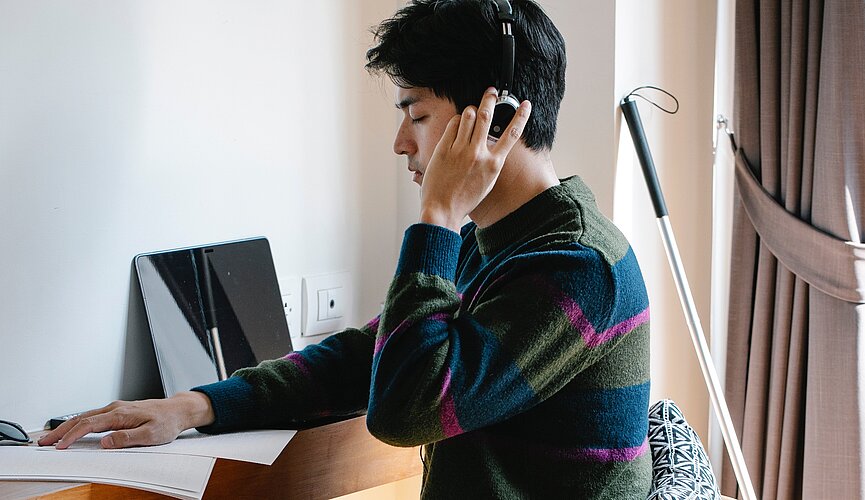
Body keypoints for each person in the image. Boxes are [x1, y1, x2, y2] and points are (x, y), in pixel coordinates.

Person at [40, 0, 652, 497]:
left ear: (491, 120)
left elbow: (406, 409)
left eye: (415, 114)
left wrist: (437, 217)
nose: (399, 144)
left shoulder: (577, 265)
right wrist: (194, 406)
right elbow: (367, 355)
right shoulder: (497, 243)